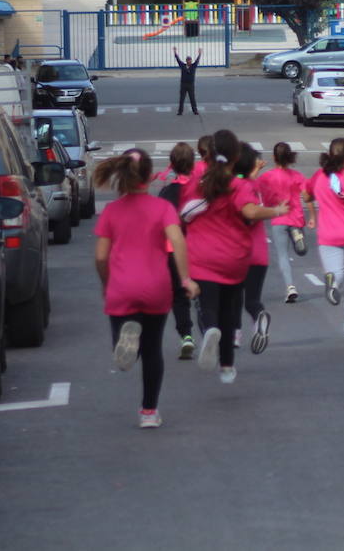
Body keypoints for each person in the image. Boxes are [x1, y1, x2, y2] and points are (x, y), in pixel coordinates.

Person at [93, 149, 199, 429]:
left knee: (127, 339)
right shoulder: (162, 208)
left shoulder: (112, 211)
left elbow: (101, 257)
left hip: (122, 286)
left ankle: (125, 344)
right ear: (149, 176)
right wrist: (186, 279)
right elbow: (177, 242)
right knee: (153, 349)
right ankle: (149, 411)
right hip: (156, 285)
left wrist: (107, 284)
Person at [185, 129, 287, 382]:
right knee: (231, 311)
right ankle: (227, 366)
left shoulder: (199, 183)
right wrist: (275, 211)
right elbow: (251, 212)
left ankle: (209, 330)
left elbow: (184, 214)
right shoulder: (239, 186)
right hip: (234, 259)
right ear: (235, 157)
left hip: (202, 257)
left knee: (207, 306)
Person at [306, 138, 344, 333]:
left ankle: (333, 282)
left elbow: (306, 194)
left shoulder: (319, 175)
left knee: (337, 272)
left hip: (328, 235)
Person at [156, 142, 198, 360]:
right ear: (193, 163)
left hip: (173, 250)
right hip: (200, 247)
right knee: (204, 291)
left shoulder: (167, 192)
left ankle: (186, 335)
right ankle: (210, 328)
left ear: (171, 165)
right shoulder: (202, 188)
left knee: (179, 295)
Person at [234, 143, 272, 353]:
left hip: (238, 252)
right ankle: (258, 317)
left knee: (233, 299)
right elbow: (251, 183)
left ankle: (235, 334)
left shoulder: (234, 188)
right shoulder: (256, 187)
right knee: (252, 299)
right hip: (260, 254)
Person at [257, 142, 307, 304]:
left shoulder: (266, 177)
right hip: (296, 216)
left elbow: (252, 187)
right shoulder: (297, 175)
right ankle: (297, 235)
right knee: (300, 251)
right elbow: (306, 194)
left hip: (278, 217)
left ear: (273, 157)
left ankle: (290, 286)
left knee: (282, 255)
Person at [173, 46, 202, 115]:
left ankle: (195, 111)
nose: (189, 61)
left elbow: (197, 61)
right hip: (183, 84)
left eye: (190, 60)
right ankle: (180, 111)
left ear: (191, 61)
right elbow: (178, 60)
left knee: (192, 98)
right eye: (188, 60)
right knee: (181, 99)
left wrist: (200, 53)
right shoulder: (183, 66)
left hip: (190, 85)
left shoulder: (193, 66)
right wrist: (175, 52)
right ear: (186, 61)